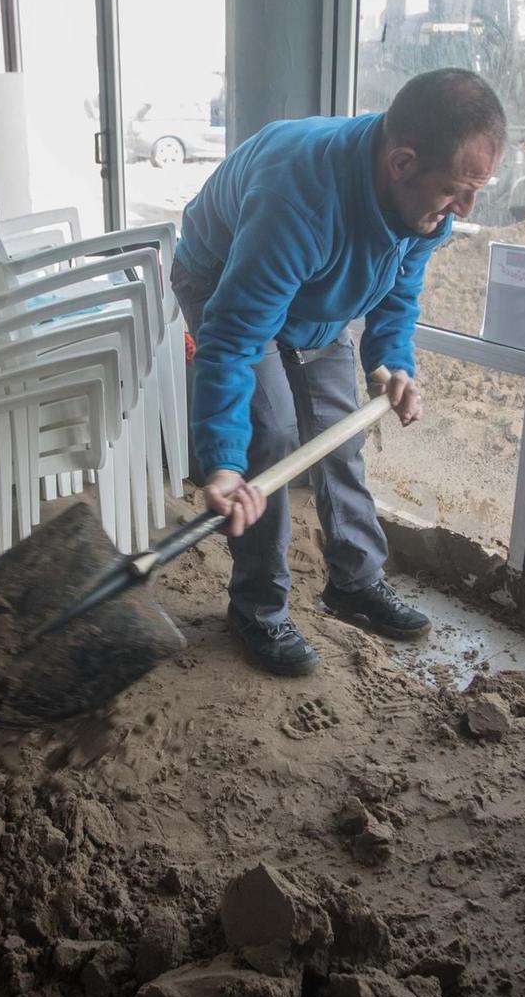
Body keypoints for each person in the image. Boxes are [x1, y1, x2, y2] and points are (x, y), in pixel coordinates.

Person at [173, 68, 506, 676]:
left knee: (341, 432)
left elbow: (398, 289)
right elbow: (234, 338)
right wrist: (222, 460)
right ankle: (257, 609)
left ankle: (354, 582)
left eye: (477, 189)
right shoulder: (297, 200)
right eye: (458, 190)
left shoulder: (426, 208)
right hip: (225, 277)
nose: (465, 209)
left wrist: (390, 362)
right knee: (268, 441)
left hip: (311, 291)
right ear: (401, 162)